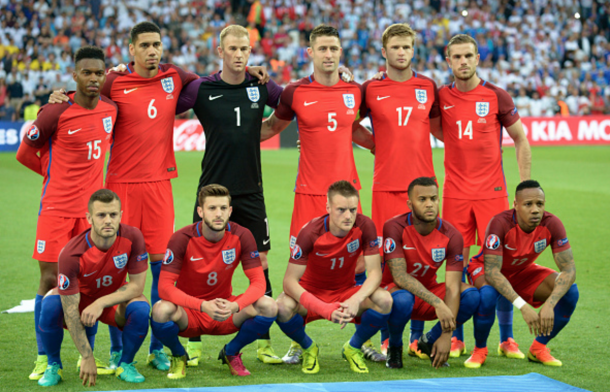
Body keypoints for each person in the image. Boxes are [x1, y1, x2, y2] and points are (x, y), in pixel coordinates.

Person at [260, 25, 374, 361]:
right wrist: (234, 136)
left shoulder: (354, 90)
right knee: (304, 267)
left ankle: (361, 340)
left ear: (340, 52)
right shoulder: (295, 92)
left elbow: (356, 129)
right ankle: (299, 341)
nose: (328, 54)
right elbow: (271, 127)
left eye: (333, 49)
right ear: (309, 53)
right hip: (308, 193)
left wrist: (383, 147)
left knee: (360, 265)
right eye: (322, 49)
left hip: (348, 194)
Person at [175, 24, 284, 365]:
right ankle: (193, 344)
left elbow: (295, 101)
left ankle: (262, 343)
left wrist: (262, 132)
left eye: (245, 49)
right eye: (233, 49)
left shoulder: (261, 86)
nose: (239, 55)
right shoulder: (201, 88)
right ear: (220, 51)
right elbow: (163, 98)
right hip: (211, 193)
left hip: (251, 192)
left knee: (262, 264)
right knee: (195, 266)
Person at [16, 46, 118, 381]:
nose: (93, 78)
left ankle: (85, 355)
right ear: (74, 75)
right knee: (49, 282)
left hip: (89, 217)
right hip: (56, 211)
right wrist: (52, 176)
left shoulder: (110, 109)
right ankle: (45, 357)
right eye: (86, 72)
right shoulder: (55, 111)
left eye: (98, 73)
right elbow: (24, 153)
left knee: (87, 283)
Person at [439, 34, 532, 358]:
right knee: (456, 266)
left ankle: (506, 339)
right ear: (447, 61)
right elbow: (438, 127)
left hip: (492, 194)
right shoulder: (441, 97)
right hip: (454, 195)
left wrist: (525, 190)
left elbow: (521, 139)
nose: (463, 62)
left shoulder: (496, 96)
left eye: (468, 56)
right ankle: (456, 338)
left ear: (478, 58)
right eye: (456, 57)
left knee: (499, 267)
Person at [356, 23, 443, 359]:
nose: (401, 52)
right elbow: (350, 124)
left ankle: (416, 337)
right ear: (384, 50)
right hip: (386, 188)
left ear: (413, 49)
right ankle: (383, 337)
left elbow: (438, 126)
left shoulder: (428, 86)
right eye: (395, 47)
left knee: (424, 261)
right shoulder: (371, 88)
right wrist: (377, 146)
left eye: (407, 47)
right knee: (386, 265)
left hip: (424, 189)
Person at [151, 184, 278, 378]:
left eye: (223, 208)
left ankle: (231, 352)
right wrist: (202, 305)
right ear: (200, 211)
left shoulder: (242, 235)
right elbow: (165, 288)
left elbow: (259, 283)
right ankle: (178, 355)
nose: (218, 214)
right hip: (190, 313)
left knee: (269, 305)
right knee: (160, 310)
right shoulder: (181, 238)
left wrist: (236, 305)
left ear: (230, 210)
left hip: (225, 308)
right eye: (212, 208)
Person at [275, 181, 392, 374]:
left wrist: (355, 300)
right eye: (341, 210)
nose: (348, 216)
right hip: (311, 295)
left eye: (353, 210)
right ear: (328, 207)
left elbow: (375, 273)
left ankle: (353, 347)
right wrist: (323, 308)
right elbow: (289, 282)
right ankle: (307, 347)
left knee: (385, 300)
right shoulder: (310, 233)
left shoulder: (365, 225)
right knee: (281, 307)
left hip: (345, 292)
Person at [37, 189, 151, 386]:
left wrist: (100, 302)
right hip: (81, 302)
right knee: (50, 303)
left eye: (113, 214)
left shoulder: (133, 237)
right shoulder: (71, 254)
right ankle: (53, 365)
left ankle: (126, 364)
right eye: (101, 215)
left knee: (141, 308)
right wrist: (87, 356)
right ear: (89, 218)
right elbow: (71, 310)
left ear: (121, 216)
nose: (108, 220)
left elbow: (137, 286)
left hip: (110, 301)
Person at [464, 180, 578, 368]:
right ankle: (479, 350)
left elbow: (569, 269)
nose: (535, 210)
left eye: (539, 204)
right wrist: (523, 306)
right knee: (488, 294)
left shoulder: (552, 223)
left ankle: (538, 348)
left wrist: (550, 303)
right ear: (515, 205)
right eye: (528, 204)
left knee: (570, 292)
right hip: (487, 269)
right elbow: (493, 272)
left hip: (522, 271)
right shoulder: (500, 223)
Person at [381, 177, 480, 369]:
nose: (429, 205)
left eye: (434, 199)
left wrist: (446, 334)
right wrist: (437, 302)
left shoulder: (452, 235)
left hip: (426, 293)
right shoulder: (394, 227)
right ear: (410, 204)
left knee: (471, 295)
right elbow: (399, 277)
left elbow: (452, 286)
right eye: (422, 199)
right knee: (403, 298)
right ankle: (394, 346)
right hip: (392, 293)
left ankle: (428, 341)